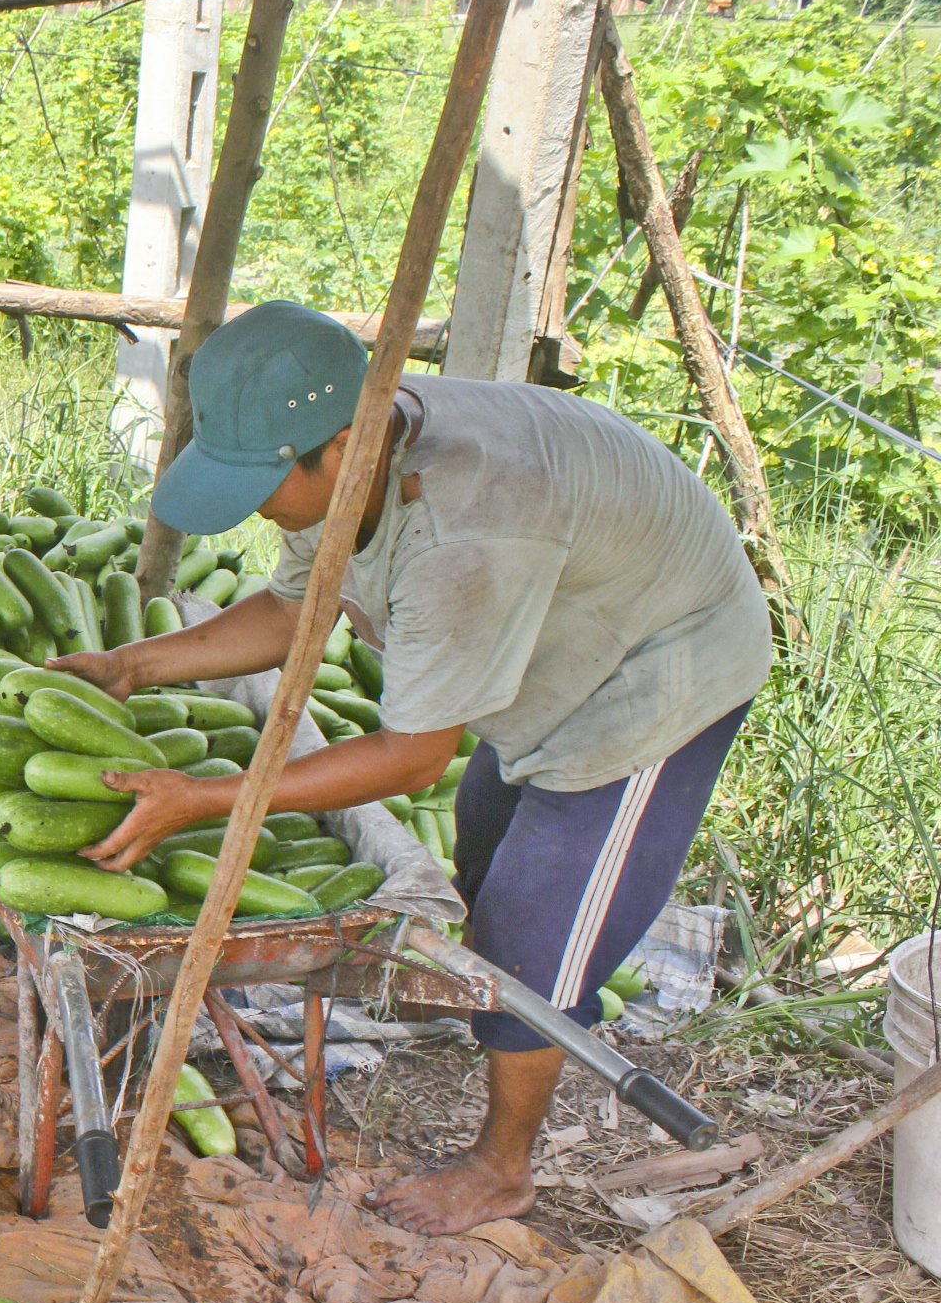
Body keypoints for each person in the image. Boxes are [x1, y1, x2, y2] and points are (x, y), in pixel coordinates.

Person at [54, 301, 771, 1237]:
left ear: (347, 447)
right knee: (488, 854)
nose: (262, 510)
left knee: (532, 940)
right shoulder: (359, 451)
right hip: (564, 641)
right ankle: (507, 1017)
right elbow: (292, 608)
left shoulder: (465, 535)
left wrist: (209, 801)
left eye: (265, 485)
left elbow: (413, 755)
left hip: (651, 680)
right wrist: (129, 665)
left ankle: (503, 1168)